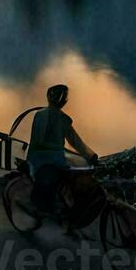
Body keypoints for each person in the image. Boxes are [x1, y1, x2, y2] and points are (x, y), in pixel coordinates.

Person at [26, 84, 98, 217]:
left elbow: (36, 141)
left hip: (43, 158)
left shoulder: (41, 115)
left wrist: (90, 155)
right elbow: (75, 142)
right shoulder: (62, 119)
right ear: (64, 101)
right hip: (50, 159)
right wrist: (90, 155)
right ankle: (47, 208)